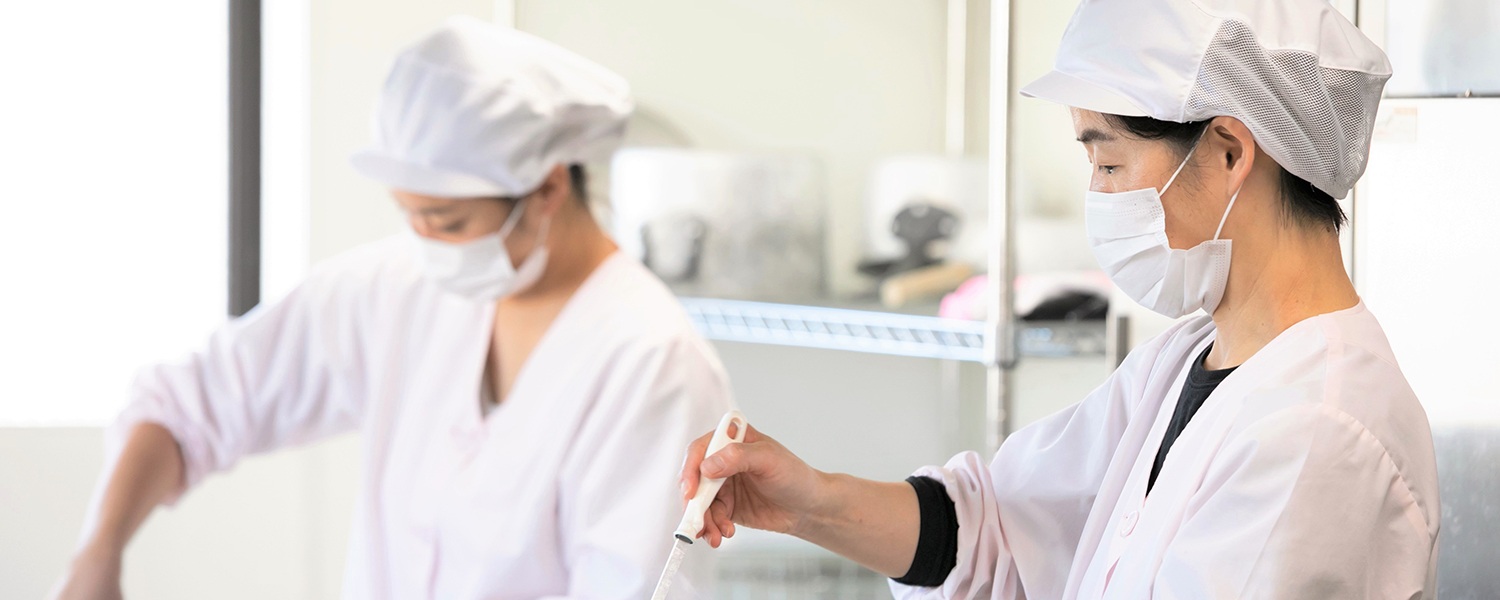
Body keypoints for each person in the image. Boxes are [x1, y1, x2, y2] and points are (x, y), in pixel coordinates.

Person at [678, 0, 1441, 598]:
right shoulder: (1187, 361)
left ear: (1228, 151)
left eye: (1109, 165)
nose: (1097, 198)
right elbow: (998, 526)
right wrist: (808, 502)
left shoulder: (1317, 432)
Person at [51, 17, 732, 600]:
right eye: (409, 215)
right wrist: (98, 552)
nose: (426, 243)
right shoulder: (398, 287)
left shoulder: (652, 363)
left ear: (548, 187)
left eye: (449, 221)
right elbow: (188, 405)